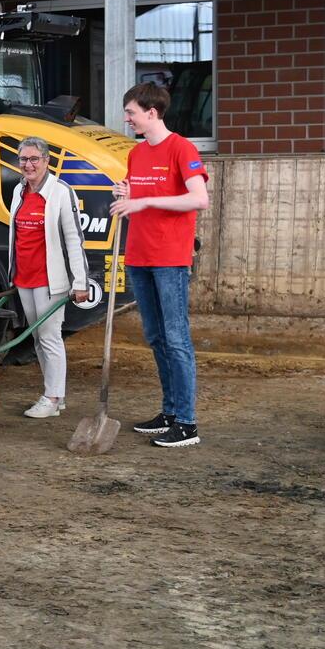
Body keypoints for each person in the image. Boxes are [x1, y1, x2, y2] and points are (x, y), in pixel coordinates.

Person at [110, 81, 210, 448]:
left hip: (169, 258)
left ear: (151, 113)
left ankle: (187, 423)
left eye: (131, 112)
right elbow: (139, 198)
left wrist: (144, 203)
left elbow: (199, 199)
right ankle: (169, 412)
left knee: (176, 338)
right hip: (139, 254)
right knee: (155, 337)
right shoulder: (137, 154)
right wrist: (127, 196)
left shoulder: (181, 148)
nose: (127, 118)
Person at [7, 136, 90, 419]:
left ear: (46, 161)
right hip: (24, 278)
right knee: (38, 338)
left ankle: (52, 397)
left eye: (34, 159)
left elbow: (74, 239)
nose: (28, 165)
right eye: (23, 159)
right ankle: (55, 394)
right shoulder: (19, 191)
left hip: (50, 279)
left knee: (50, 336)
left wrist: (80, 281)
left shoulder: (60, 192)